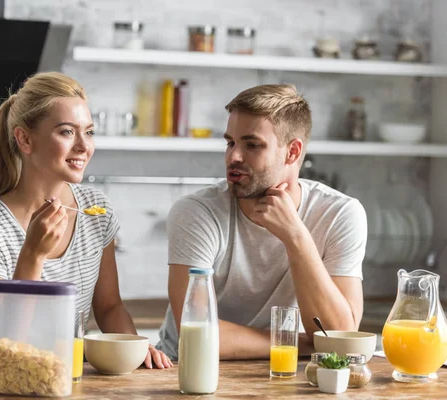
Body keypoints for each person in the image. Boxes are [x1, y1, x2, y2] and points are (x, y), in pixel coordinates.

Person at [0, 71, 171, 369]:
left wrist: (133, 349)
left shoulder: (96, 210)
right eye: (67, 132)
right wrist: (33, 255)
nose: (84, 146)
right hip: (0, 373)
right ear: (25, 139)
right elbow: (3, 348)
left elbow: (109, 307)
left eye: (89, 132)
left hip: (65, 368)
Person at [156, 84, 367, 360]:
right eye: (230, 142)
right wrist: (299, 343)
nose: (233, 157)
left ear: (292, 152)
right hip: (187, 371)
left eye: (252, 145)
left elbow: (341, 335)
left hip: (288, 375)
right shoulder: (197, 212)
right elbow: (197, 332)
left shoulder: (340, 214)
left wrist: (296, 237)